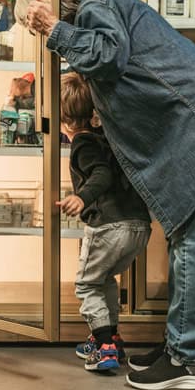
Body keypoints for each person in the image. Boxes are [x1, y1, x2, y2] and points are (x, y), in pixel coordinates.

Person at [15, 0, 195, 390]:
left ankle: (187, 359)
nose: (38, 33)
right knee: (187, 240)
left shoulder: (95, 6)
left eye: (34, 23)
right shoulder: (103, 7)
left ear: (49, 3)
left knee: (192, 243)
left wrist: (55, 29)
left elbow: (109, 56)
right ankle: (178, 347)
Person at [58, 71, 151, 372]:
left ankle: (105, 347)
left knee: (86, 284)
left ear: (65, 121)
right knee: (104, 280)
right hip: (138, 225)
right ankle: (112, 337)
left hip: (109, 226)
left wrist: (82, 198)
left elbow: (102, 175)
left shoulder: (82, 144)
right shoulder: (106, 138)